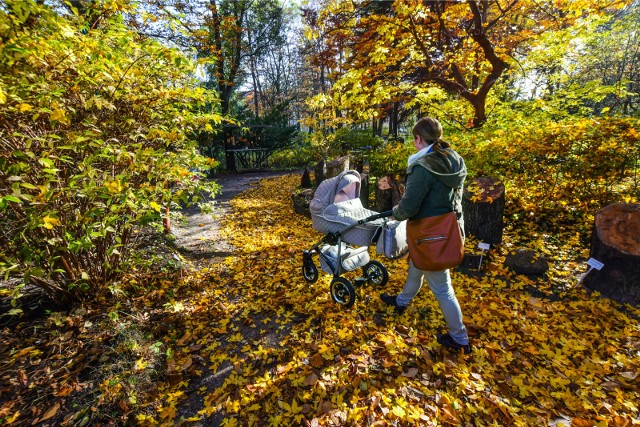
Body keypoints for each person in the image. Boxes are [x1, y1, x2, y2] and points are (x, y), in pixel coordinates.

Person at [380, 117, 471, 354]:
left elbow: (409, 206)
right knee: (416, 267)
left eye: (414, 139)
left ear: (419, 139)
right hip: (446, 228)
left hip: (429, 234)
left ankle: (459, 338)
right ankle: (401, 302)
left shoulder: (424, 166)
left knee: (442, 288)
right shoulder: (453, 159)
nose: (413, 143)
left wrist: (396, 214)